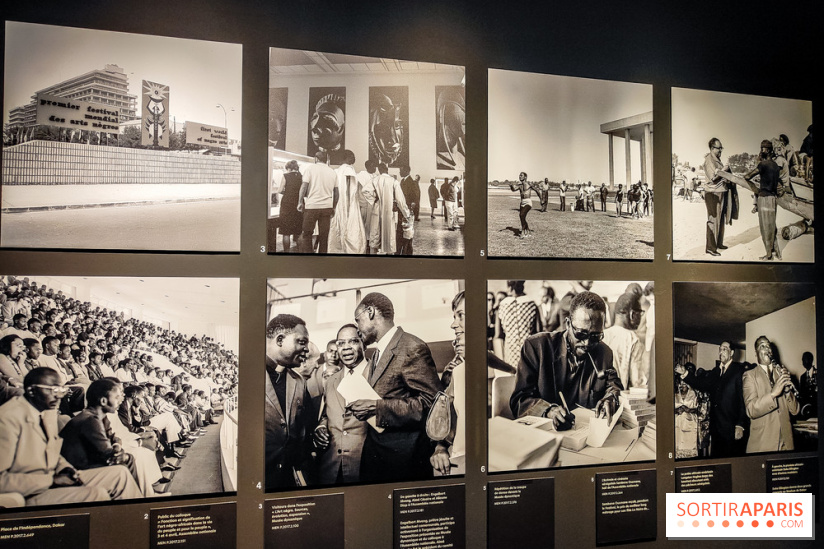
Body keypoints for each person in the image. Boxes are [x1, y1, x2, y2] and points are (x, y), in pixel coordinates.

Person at [0, 368, 142, 505]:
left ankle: (139, 521)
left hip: (54, 478)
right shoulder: (7, 419)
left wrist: (65, 468)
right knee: (97, 494)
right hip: (33, 492)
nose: (59, 396)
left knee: (120, 474)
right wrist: (52, 480)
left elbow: (50, 451)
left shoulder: (45, 412)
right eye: (54, 391)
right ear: (32, 391)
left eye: (61, 391)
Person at [350, 293, 442, 483]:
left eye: (358, 320)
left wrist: (378, 408)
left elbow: (432, 405)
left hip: (404, 461)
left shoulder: (412, 347)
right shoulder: (376, 353)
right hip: (377, 455)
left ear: (371, 312)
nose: (357, 329)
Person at [510, 291, 622, 428]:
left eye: (595, 336)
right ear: (568, 324)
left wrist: (611, 397)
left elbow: (613, 385)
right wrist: (548, 411)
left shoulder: (604, 353)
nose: (587, 343)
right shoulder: (537, 347)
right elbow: (520, 400)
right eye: (581, 334)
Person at [264, 314, 316, 490]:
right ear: (280, 340)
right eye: (302, 342)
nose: (306, 349)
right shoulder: (245, 375)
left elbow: (304, 427)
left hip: (287, 478)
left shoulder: (299, 381)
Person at [314, 325, 369, 485]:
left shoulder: (377, 374)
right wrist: (321, 427)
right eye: (340, 343)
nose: (346, 348)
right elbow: (326, 414)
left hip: (365, 468)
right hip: (330, 468)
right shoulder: (331, 380)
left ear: (363, 344)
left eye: (353, 341)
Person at [674, 342, 749, 457]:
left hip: (731, 428)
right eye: (720, 349)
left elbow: (743, 399)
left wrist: (740, 424)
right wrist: (685, 373)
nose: (721, 352)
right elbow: (701, 384)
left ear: (732, 353)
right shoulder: (715, 372)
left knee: (732, 460)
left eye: (724, 349)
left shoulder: (738, 371)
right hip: (716, 427)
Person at [743, 336, 799, 453]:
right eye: (762, 346)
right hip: (763, 444)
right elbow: (751, 410)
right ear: (756, 353)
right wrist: (773, 394)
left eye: (768, 346)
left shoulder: (781, 372)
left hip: (786, 444)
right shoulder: (750, 375)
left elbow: (795, 410)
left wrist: (788, 391)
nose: (767, 348)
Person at [430, 291, 465, 476]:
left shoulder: (503, 369)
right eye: (454, 317)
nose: (453, 324)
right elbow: (444, 420)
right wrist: (440, 448)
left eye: (461, 316)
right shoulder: (453, 371)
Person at [744, 140, 782, 260]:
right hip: (773, 199)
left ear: (768, 150)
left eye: (762, 148)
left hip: (764, 198)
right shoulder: (776, 165)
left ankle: (768, 255)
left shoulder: (763, 165)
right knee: (772, 226)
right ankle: (776, 252)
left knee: (765, 227)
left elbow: (748, 176)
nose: (761, 151)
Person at [602, 293, 644, 390]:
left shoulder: (602, 335)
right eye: (640, 313)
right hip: (619, 400)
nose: (640, 318)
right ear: (632, 314)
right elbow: (636, 382)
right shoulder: (633, 339)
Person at [298, 150, 337, 254]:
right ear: (327, 160)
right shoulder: (332, 172)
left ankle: (309, 258)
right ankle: (322, 259)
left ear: (316, 159)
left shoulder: (310, 169)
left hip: (312, 206)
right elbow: (336, 192)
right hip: (326, 207)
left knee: (307, 233)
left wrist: (300, 202)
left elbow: (304, 186)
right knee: (324, 236)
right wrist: (334, 207)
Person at [328, 149, 367, 254]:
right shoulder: (348, 170)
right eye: (352, 156)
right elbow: (349, 190)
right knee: (349, 226)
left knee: (338, 227)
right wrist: (349, 208)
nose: (354, 158)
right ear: (346, 158)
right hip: (348, 203)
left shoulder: (338, 170)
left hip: (339, 203)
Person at [368, 163, 410, 255]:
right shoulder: (393, 181)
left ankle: (372, 258)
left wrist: (374, 199)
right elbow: (400, 200)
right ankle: (389, 256)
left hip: (377, 209)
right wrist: (406, 213)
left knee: (375, 233)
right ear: (387, 170)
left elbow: (365, 191)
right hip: (389, 209)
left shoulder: (375, 180)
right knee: (389, 234)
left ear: (379, 170)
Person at [496, 280, 540, 367]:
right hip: (529, 351)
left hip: (510, 353)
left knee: (512, 378)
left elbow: (498, 335)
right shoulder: (532, 304)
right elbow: (538, 331)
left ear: (510, 288)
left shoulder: (502, 306)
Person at [703, 138, 735, 256]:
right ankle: (711, 248)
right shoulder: (709, 160)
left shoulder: (717, 159)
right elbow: (713, 177)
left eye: (721, 148)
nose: (720, 150)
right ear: (712, 148)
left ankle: (718, 243)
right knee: (713, 219)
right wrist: (725, 169)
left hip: (721, 191)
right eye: (718, 148)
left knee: (721, 219)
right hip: (713, 193)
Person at [277, 160, 304, 252]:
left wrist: (288, 192)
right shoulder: (302, 177)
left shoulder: (286, 176)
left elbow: (280, 190)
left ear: (288, 168)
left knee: (286, 232)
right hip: (298, 204)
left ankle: (286, 252)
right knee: (299, 232)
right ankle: (300, 252)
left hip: (287, 205)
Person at [510, 172, 536, 238]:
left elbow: (537, 190)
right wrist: (511, 186)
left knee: (521, 215)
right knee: (522, 217)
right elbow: (514, 189)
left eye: (521, 175)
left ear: (525, 177)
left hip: (528, 202)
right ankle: (527, 230)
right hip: (522, 202)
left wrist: (542, 199)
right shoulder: (520, 185)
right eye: (519, 175)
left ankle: (523, 232)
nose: (519, 176)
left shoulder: (529, 184)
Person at [797, 352, 817, 419]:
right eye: (802, 360)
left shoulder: (819, 373)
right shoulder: (802, 377)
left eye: (805, 359)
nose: (803, 362)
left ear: (811, 360)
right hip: (807, 411)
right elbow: (801, 394)